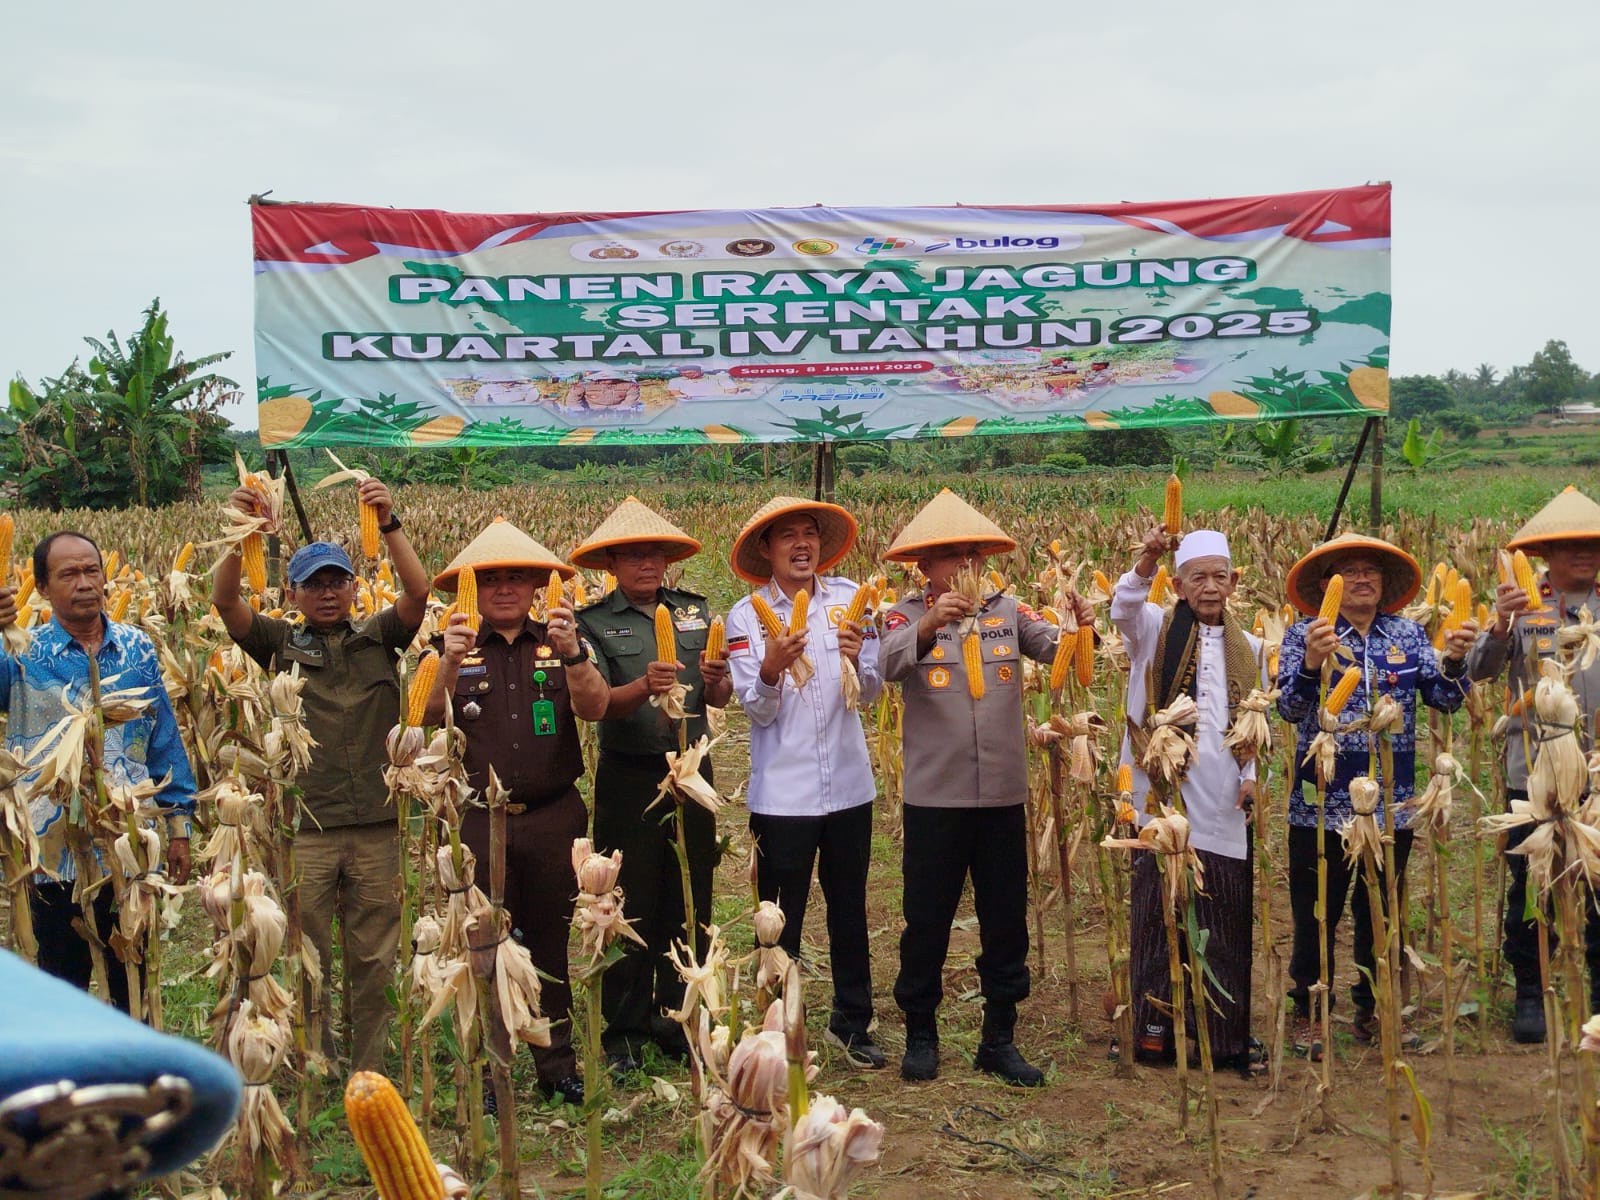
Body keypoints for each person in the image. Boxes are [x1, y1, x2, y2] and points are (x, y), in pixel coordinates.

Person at [212, 476, 430, 1072]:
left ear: (354, 587)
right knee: (308, 957)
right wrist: (240, 534)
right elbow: (226, 602)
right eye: (314, 585)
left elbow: (419, 591)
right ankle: (316, 1061)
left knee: (374, 956)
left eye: (336, 581)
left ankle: (371, 1068)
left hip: (378, 826)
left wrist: (388, 520)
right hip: (306, 828)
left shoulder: (380, 637)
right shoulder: (278, 641)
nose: (327, 594)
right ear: (292, 592)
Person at [879, 488, 1063, 1086]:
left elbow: (1056, 650)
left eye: (970, 553)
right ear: (923, 566)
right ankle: (921, 1032)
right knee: (926, 917)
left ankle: (999, 1038)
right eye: (948, 555)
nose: (963, 564)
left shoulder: (1009, 612)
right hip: (936, 798)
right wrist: (931, 623)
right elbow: (886, 667)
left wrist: (1081, 627)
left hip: (1004, 795)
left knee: (1005, 918)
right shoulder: (904, 616)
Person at [423, 518, 607, 1107]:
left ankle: (556, 1066)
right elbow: (422, 718)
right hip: (478, 819)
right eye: (492, 579)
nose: (505, 589)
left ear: (536, 587)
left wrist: (574, 652)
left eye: (518, 578)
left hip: (554, 818)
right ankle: (489, 1070)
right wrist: (447, 664)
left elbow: (596, 706)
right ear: (472, 588)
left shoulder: (560, 642)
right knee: (482, 944)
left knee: (550, 943)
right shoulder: (449, 647)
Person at [1276, 533, 1475, 1056]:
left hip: (1393, 802)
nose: (1361, 579)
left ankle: (1373, 1006)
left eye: (1371, 571)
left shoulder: (1408, 636)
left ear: (1386, 585)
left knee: (1381, 908)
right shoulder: (1304, 634)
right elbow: (1291, 710)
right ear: (1326, 586)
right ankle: (1309, 1010)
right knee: (1316, 910)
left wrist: (1455, 660)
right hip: (1321, 804)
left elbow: (1445, 700)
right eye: (1349, 571)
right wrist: (1312, 665)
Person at [0, 531, 195, 1015]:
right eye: (68, 574)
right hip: (51, 852)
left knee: (132, 979)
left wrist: (178, 826)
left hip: (130, 845)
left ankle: (137, 1078)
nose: (84, 583)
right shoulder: (20, 654)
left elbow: (163, 737)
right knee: (60, 984)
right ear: (42, 587)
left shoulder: (137, 648)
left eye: (92, 570)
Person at [571, 497, 732, 1072]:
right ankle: (625, 1028)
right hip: (630, 772)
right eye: (633, 555)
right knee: (626, 896)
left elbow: (719, 697)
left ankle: (680, 1014)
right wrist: (643, 685)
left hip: (690, 768)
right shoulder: (591, 623)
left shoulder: (694, 612)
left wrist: (716, 682)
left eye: (655, 554)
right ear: (612, 562)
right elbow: (597, 704)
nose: (646, 563)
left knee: (690, 890)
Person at [725, 496, 885, 1069]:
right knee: (778, 916)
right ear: (766, 550)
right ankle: (777, 1025)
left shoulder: (849, 602)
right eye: (787, 536)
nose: (801, 545)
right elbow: (756, 709)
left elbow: (868, 695)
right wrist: (770, 668)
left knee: (849, 908)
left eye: (809, 535)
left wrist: (859, 657)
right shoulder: (745, 616)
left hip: (848, 786)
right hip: (783, 796)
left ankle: (852, 1020)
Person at [1112, 527, 1264, 1075]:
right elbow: (1123, 607)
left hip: (1223, 796)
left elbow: (1253, 720)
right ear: (1177, 583)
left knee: (1223, 913)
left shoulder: (1251, 648)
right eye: (1197, 577)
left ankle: (1221, 1037)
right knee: (1156, 915)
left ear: (1232, 582)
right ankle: (1154, 1032)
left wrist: (1249, 776)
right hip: (1160, 794)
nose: (1210, 587)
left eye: (1219, 577)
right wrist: (1147, 557)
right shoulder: (1152, 628)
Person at [1466, 485, 1600, 1043]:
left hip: (1597, 767)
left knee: (1597, 881)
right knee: (1531, 880)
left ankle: (1595, 991)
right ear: (1545, 554)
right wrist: (1498, 626)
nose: (1583, 554)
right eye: (1569, 546)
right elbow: (1478, 671)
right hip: (1535, 765)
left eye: (1591, 544)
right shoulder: (1521, 605)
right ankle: (1530, 988)